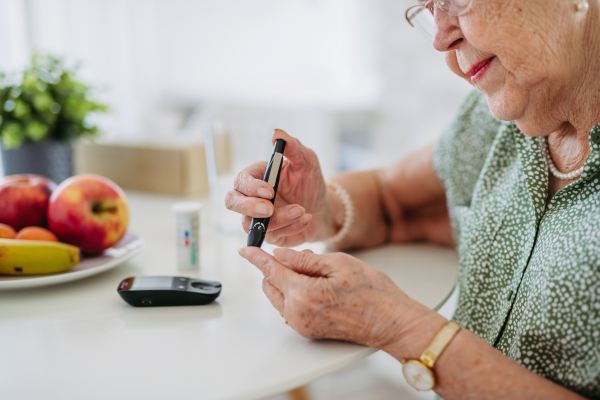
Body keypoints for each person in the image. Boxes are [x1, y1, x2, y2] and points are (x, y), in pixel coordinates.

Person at [225, 0, 600, 398]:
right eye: (429, 8)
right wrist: (321, 207)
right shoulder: (501, 114)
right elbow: (393, 202)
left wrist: (394, 324)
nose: (440, 39)